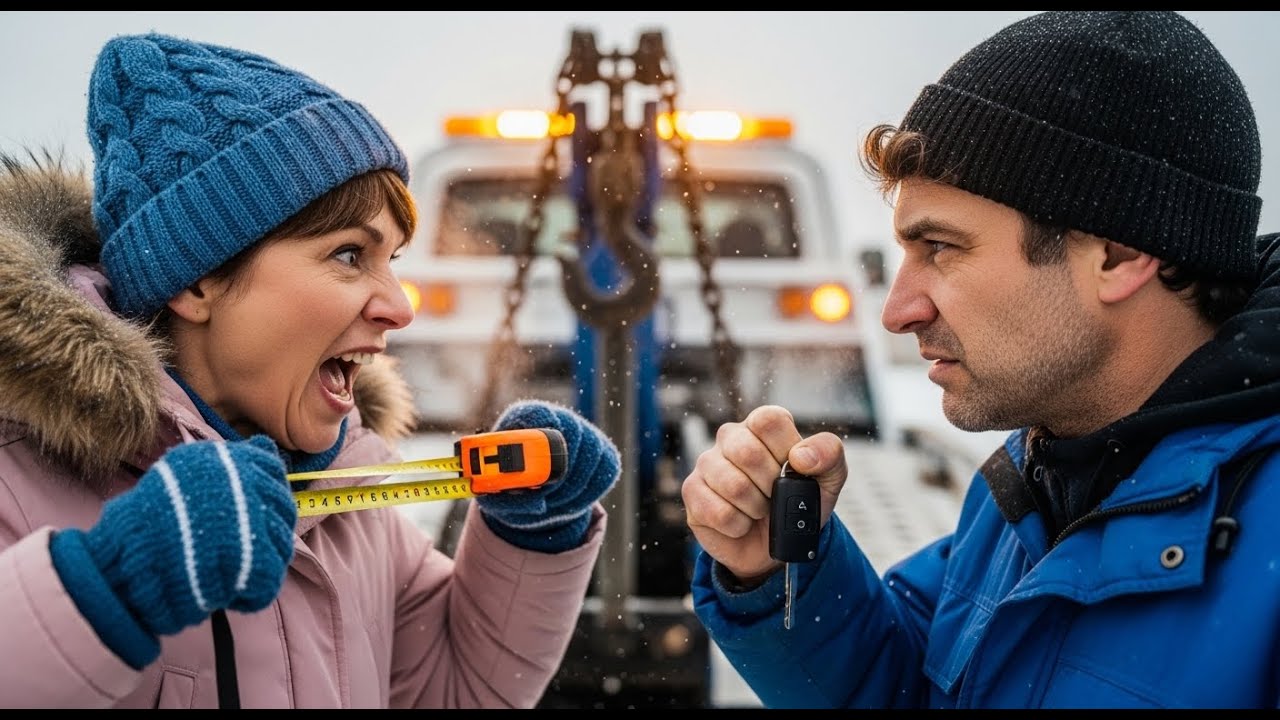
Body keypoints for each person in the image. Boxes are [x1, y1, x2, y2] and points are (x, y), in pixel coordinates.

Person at [0, 33, 621, 709]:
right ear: (198, 281)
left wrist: (526, 541)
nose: (397, 307)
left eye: (394, 262)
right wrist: (106, 585)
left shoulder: (342, 489)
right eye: (350, 255)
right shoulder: (19, 473)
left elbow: (450, 691)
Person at [682, 10, 1280, 709]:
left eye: (940, 248)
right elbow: (906, 687)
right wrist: (779, 571)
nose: (897, 310)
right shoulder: (1033, 483)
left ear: (1118, 254)